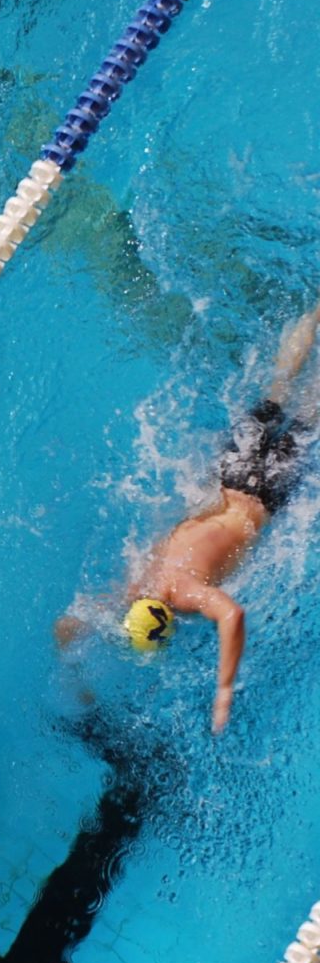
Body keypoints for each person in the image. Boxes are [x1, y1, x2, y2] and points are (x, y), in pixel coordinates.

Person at [59, 302, 320, 732]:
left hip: (264, 496)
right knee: (278, 389)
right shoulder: (139, 581)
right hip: (233, 475)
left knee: (310, 410)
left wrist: (224, 691)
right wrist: (73, 674)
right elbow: (68, 623)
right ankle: (312, 313)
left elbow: (232, 615)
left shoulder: (183, 594)